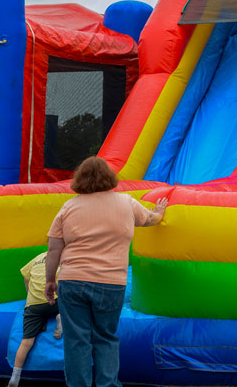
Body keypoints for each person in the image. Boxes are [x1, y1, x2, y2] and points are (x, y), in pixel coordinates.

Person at [43, 157, 167, 387]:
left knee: (76, 340)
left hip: (73, 280)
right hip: (111, 282)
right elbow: (150, 220)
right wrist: (159, 213)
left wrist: (50, 280)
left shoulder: (69, 207)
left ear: (79, 179)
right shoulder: (126, 203)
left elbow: (54, 248)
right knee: (106, 338)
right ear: (109, 178)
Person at [8, 251, 63, 387]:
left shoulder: (37, 258)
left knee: (26, 342)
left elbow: (26, 277)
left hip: (34, 305)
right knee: (74, 303)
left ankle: (15, 376)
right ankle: (61, 315)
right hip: (56, 300)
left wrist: (29, 295)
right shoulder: (64, 256)